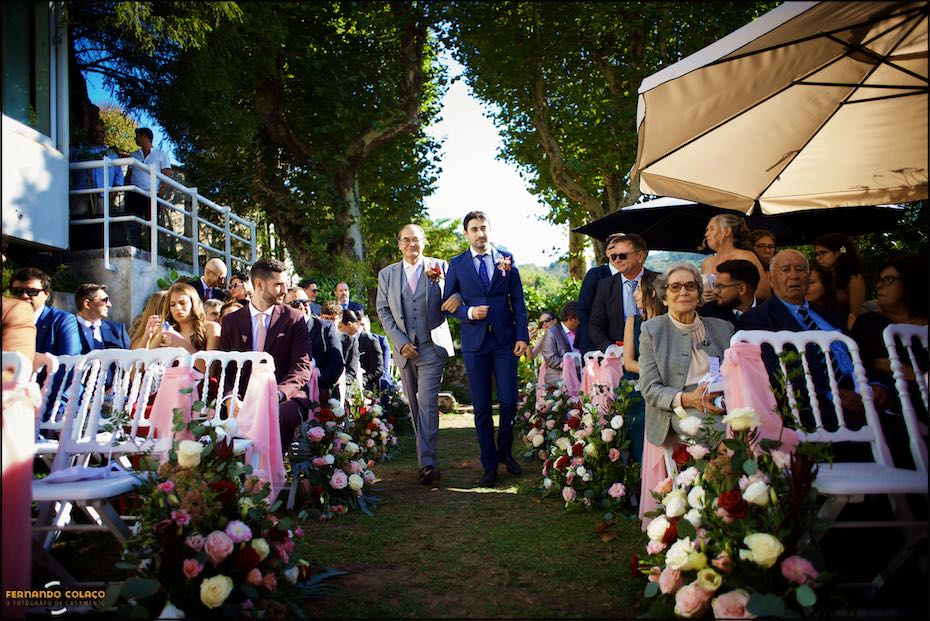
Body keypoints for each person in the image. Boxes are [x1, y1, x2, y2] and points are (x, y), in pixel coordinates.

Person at [740, 249, 891, 424]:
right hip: (816, 410)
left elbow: (857, 353)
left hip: (867, 397)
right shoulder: (757, 319)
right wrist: (831, 392)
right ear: (771, 278)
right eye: (786, 270)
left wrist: (876, 384)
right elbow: (773, 370)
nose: (794, 276)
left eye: (800, 269)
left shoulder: (830, 315)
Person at [442, 211, 529, 486]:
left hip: (504, 341)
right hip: (475, 343)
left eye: (484, 228)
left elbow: (518, 299)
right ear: (466, 233)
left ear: (490, 229)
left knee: (508, 401)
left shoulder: (507, 258)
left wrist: (522, 336)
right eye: (474, 229)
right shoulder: (457, 264)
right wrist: (468, 312)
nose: (480, 233)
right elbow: (448, 305)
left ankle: (505, 450)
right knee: (481, 407)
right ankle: (489, 464)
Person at [377, 224, 456, 484]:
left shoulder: (440, 267)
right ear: (399, 244)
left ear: (424, 242)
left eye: (416, 239)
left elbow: (457, 291)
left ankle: (428, 463)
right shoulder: (387, 274)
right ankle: (426, 457)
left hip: (431, 346)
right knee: (413, 406)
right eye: (406, 240)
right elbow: (383, 310)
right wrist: (399, 342)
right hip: (405, 351)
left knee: (428, 404)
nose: (412, 244)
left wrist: (455, 298)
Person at [217, 257, 314, 449]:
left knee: (276, 416)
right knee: (218, 421)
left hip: (285, 397)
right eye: (278, 284)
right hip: (242, 396)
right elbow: (223, 368)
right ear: (259, 284)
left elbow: (302, 366)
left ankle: (264, 474)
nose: (285, 291)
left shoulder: (294, 319)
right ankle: (234, 474)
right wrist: (230, 398)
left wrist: (276, 394)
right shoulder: (231, 321)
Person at [639, 263, 735, 452]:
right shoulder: (652, 330)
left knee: (759, 423)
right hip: (681, 407)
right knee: (726, 433)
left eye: (690, 286)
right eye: (675, 287)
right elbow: (649, 388)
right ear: (664, 298)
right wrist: (689, 399)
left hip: (725, 399)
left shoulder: (724, 327)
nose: (683, 291)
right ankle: (742, 476)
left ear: (698, 294)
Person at [851, 255, 928, 422]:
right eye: (879, 281)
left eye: (888, 280)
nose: (879, 285)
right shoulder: (869, 322)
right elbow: (882, 363)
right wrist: (924, 378)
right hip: (902, 395)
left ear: (909, 282)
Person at [621, 272, 667, 463]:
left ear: (652, 293)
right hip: (637, 384)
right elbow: (629, 361)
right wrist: (653, 372)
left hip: (666, 385)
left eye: (638, 289)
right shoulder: (633, 321)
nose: (634, 294)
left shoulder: (669, 323)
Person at [588, 233, 656, 353]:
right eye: (614, 256)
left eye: (622, 256)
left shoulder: (659, 281)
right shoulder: (605, 286)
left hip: (656, 350)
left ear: (640, 256)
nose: (617, 260)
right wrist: (610, 348)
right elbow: (595, 325)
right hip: (619, 356)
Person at [576, 234, 632, 354]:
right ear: (606, 252)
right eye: (613, 248)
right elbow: (583, 309)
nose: (617, 252)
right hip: (595, 343)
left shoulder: (633, 276)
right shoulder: (595, 275)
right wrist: (600, 342)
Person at [284, 288, 343, 402]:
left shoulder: (325, 327)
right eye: (295, 304)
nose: (302, 307)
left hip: (322, 393)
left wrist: (315, 381)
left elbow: (337, 363)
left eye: (305, 303)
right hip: (288, 394)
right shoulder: (280, 330)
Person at [10, 268, 80, 356]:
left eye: (32, 291)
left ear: (47, 294)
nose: (24, 296)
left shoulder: (62, 321)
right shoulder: (6, 320)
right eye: (18, 291)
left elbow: (69, 362)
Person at [700, 214, 771, 301]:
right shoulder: (707, 262)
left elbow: (764, 294)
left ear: (727, 231)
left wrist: (723, 295)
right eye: (707, 230)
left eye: (712, 229)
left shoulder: (746, 257)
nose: (706, 234)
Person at [141, 282, 221, 353]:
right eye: (172, 305)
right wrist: (146, 336)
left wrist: (182, 343)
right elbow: (142, 365)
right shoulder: (166, 332)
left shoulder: (211, 328)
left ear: (193, 303)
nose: (178, 308)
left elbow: (210, 368)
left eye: (182, 303)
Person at [124, 127, 172, 245]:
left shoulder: (161, 154)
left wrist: (160, 195)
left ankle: (153, 253)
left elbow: (166, 176)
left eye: (137, 136)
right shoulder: (134, 155)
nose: (135, 139)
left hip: (152, 194)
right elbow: (128, 174)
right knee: (134, 224)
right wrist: (126, 189)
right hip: (135, 193)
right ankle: (135, 248)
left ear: (145, 137)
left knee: (152, 225)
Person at [69, 120, 124, 216]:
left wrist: (115, 191)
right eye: (95, 131)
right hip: (81, 192)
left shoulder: (111, 154)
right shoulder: (78, 150)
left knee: (101, 226)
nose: (98, 134)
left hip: (103, 195)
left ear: (104, 135)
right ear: (89, 132)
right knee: (80, 224)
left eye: (101, 132)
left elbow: (119, 174)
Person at [813, 233, 866, 329]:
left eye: (823, 253)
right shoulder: (817, 277)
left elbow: (855, 315)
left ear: (838, 253)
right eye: (816, 254)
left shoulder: (853, 279)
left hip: (844, 327)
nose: (817, 258)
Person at [698, 259, 760, 327]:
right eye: (715, 285)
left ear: (742, 289)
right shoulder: (709, 312)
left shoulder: (769, 314)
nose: (716, 291)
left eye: (722, 286)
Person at [73, 283, 130, 353]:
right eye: (105, 300)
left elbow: (129, 359)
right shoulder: (67, 330)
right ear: (87, 304)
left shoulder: (118, 330)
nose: (109, 305)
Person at [539, 302, 580, 387]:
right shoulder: (552, 332)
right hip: (559, 381)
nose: (581, 322)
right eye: (579, 319)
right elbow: (551, 359)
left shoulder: (579, 332)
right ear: (571, 318)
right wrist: (574, 363)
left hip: (579, 378)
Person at [336, 308, 363, 395]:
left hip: (347, 384)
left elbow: (352, 371)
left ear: (349, 324)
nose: (339, 330)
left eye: (340, 327)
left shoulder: (352, 341)